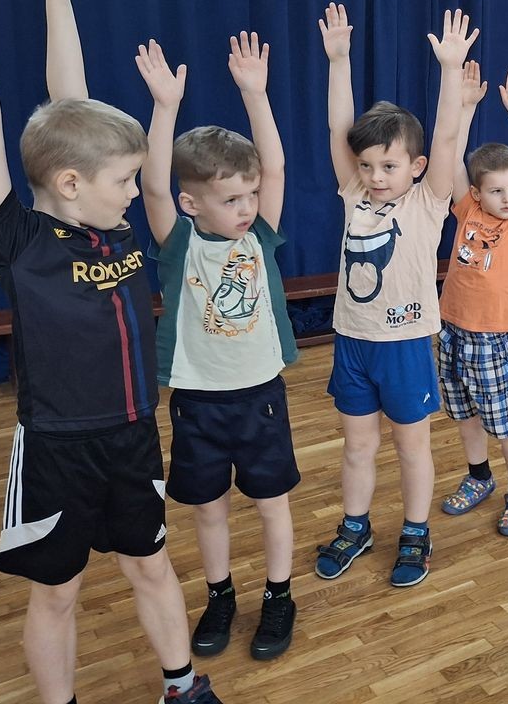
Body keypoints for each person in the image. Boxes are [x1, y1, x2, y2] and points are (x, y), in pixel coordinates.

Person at [0, 0, 222, 703]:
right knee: (56, 593)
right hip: (57, 447)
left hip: (133, 435)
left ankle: (182, 685)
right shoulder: (19, 241)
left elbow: (72, 102)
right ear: (68, 183)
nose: (135, 191)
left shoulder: (111, 224)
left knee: (151, 565)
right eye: (123, 180)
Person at [135, 33, 300, 660]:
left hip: (260, 396)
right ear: (191, 203)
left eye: (249, 196)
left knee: (271, 502)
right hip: (199, 403)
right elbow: (153, 187)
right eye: (231, 199)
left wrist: (256, 95)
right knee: (208, 510)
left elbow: (274, 169)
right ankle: (220, 594)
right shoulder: (179, 244)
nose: (246, 208)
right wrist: (165, 108)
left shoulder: (260, 236)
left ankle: (279, 595)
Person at [314, 4, 474, 587]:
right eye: (368, 165)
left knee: (411, 447)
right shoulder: (355, 193)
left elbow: (448, 134)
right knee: (357, 447)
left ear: (416, 166)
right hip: (354, 341)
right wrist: (338, 61)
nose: (376, 176)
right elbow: (340, 130)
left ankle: (415, 531)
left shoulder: (428, 201)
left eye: (388, 165)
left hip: (404, 345)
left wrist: (451, 71)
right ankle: (356, 527)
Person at [437, 62, 508, 535]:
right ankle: (479, 476)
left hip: (493, 335)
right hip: (452, 327)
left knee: (503, 420)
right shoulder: (467, 210)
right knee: (463, 413)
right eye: (497, 190)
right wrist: (464, 108)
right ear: (478, 194)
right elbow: (454, 161)